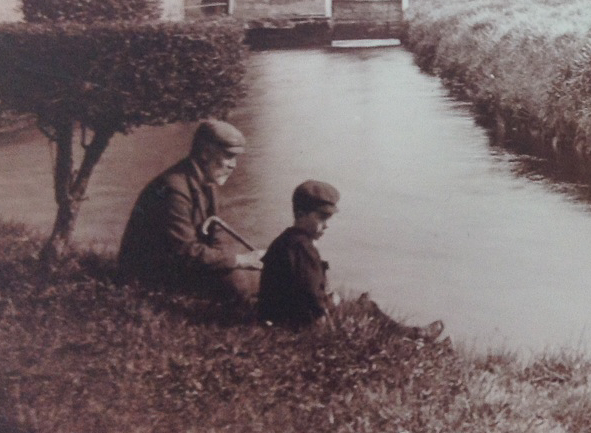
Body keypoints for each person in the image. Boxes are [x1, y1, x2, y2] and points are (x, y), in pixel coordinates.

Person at [259, 179, 445, 340]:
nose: (327, 225)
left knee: (364, 306)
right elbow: (314, 304)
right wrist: (334, 302)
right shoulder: (302, 248)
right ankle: (414, 336)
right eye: (322, 218)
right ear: (300, 214)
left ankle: (409, 334)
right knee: (367, 309)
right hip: (293, 327)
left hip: (281, 317)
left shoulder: (288, 240)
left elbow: (302, 291)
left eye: (329, 218)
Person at [117, 119, 264, 304]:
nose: (233, 165)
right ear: (205, 153)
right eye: (228, 156)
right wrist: (239, 261)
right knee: (238, 284)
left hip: (177, 265)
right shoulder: (174, 189)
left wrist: (241, 261)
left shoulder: (205, 181)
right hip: (146, 277)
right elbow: (184, 251)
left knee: (253, 276)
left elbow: (215, 237)